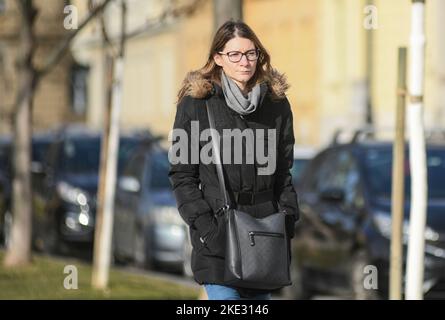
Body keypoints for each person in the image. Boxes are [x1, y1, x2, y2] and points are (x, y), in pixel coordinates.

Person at [168, 20, 299, 300]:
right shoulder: (196, 104)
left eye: (251, 54)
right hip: (218, 239)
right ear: (218, 58)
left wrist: (287, 218)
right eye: (235, 55)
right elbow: (182, 176)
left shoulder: (275, 105)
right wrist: (207, 229)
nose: (245, 62)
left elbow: (284, 172)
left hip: (264, 235)